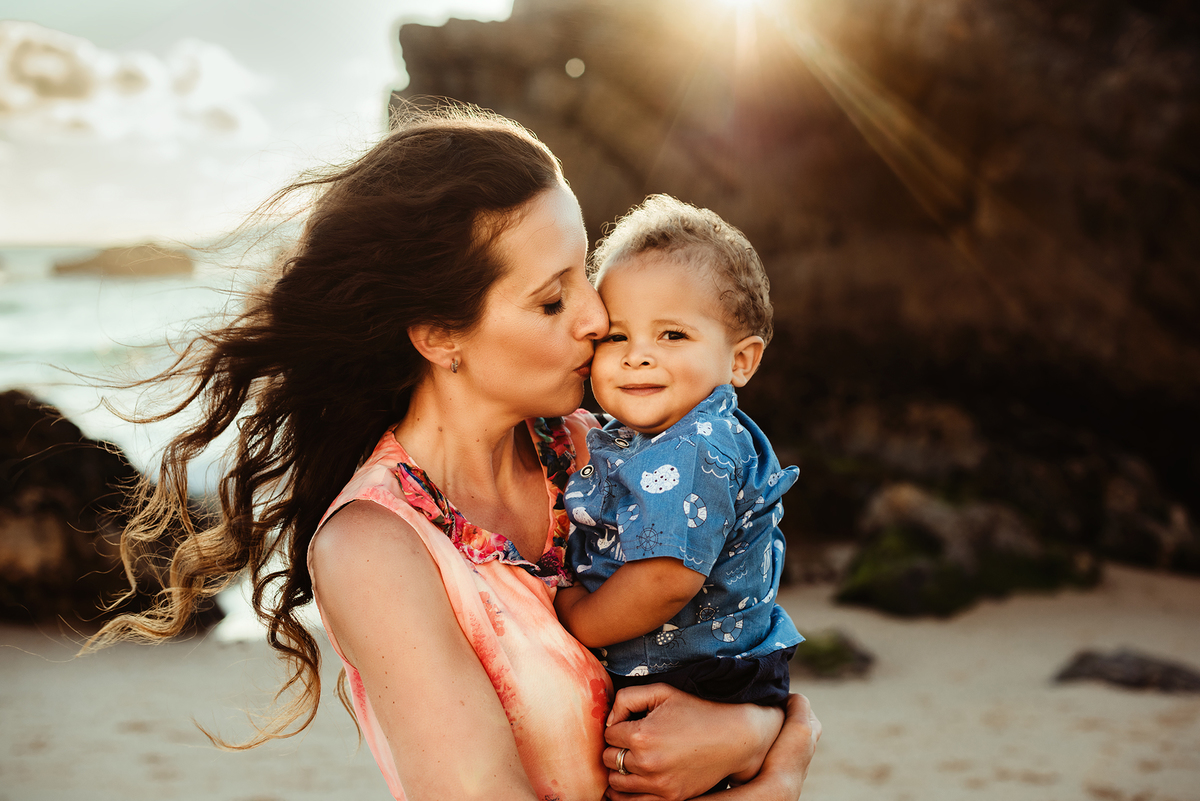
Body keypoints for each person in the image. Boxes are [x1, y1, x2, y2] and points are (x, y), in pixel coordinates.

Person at [90, 104, 820, 800]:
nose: (598, 318)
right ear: (441, 335)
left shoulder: (596, 447)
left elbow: (730, 628)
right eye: (551, 299)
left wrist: (750, 726)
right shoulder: (377, 549)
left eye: (584, 276)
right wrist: (779, 773)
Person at [555, 196, 802, 713]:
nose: (637, 354)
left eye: (673, 334)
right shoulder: (649, 435)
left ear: (740, 360)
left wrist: (579, 618)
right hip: (700, 667)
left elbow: (666, 579)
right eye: (617, 335)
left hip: (695, 677)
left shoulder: (693, 445)